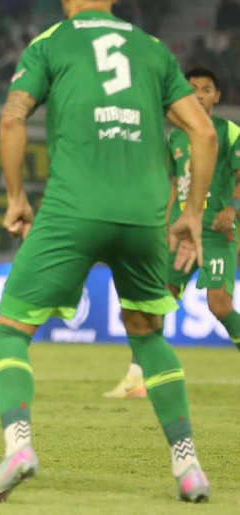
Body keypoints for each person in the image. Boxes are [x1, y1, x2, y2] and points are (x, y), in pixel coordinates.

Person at [0, 0, 216, 503]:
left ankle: (19, 448)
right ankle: (189, 468)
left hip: (71, 210)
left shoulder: (50, 44)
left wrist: (17, 198)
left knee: (11, 329)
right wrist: (192, 214)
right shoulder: (154, 51)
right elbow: (203, 135)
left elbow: (13, 118)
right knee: (148, 335)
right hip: (143, 215)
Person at [106, 67, 240, 398]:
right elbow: (171, 185)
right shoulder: (176, 137)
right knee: (154, 301)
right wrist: (165, 227)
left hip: (214, 234)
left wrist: (231, 208)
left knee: (220, 305)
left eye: (206, 89)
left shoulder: (229, 132)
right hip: (181, 234)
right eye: (192, 88)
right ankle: (138, 378)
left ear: (216, 96)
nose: (198, 94)